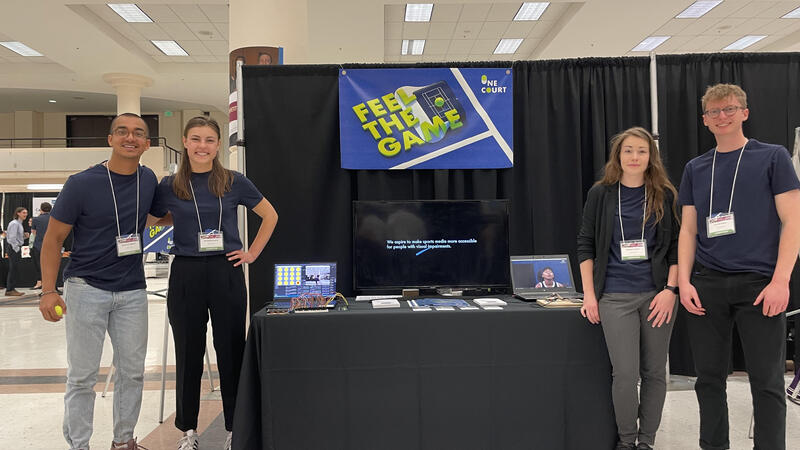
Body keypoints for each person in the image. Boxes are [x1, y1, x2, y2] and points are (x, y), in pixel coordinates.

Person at [677, 83, 800, 450]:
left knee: (766, 382)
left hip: (760, 284)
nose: (722, 117)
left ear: (744, 112)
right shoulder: (696, 167)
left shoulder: (773, 157)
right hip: (707, 284)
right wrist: (684, 281)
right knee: (709, 380)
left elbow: (793, 221)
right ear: (705, 121)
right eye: (714, 112)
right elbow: (687, 228)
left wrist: (782, 281)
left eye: (729, 109)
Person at [151, 116, 278, 450]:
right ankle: (187, 431)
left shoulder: (234, 181)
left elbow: (270, 215)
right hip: (186, 273)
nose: (202, 146)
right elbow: (152, 218)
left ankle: (236, 427)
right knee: (188, 352)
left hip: (226, 271)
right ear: (185, 142)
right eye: (196, 139)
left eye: (209, 140)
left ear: (218, 145)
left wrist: (251, 253)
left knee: (231, 350)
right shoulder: (169, 184)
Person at [38, 113, 158, 450]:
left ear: (147, 144)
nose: (130, 138)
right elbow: (53, 240)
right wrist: (49, 291)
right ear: (110, 139)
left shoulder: (148, 179)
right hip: (86, 288)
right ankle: (79, 445)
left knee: (132, 373)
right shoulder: (81, 183)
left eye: (138, 133)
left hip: (132, 291)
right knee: (82, 377)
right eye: (122, 131)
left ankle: (124, 442)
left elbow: (163, 212)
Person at [577, 126, 680, 450]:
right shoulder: (601, 194)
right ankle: (626, 440)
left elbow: (677, 248)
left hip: (657, 297)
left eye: (642, 151)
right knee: (625, 374)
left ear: (651, 157)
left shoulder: (664, 194)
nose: (635, 157)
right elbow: (586, 245)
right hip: (615, 298)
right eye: (628, 150)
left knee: (654, 374)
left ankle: (646, 442)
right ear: (617, 156)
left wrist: (670, 291)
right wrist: (590, 296)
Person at [4, 206, 27, 296]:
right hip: (14, 248)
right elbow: (12, 238)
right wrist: (17, 248)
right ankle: (10, 289)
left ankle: (11, 288)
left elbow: (16, 237)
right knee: (13, 269)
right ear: (18, 213)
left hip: (15, 248)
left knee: (14, 269)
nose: (26, 214)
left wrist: (24, 236)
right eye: (24, 213)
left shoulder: (18, 223)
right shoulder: (14, 223)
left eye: (26, 213)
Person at [30, 201, 52, 290]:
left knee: (39, 265)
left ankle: (39, 283)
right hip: (51, 245)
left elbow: (33, 233)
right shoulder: (53, 218)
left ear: (41, 209)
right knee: (50, 266)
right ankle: (51, 285)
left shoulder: (36, 219)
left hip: (38, 245)